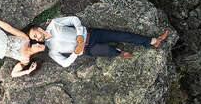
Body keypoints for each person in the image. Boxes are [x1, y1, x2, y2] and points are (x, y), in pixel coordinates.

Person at [28, 16, 170, 67]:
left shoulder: (53, 24)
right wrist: (75, 53)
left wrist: (79, 34)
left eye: (35, 34)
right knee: (110, 51)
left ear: (39, 29)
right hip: (88, 50)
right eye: (34, 39)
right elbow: (64, 64)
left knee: (121, 36)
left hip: (91, 34)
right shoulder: (51, 50)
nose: (37, 38)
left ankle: (153, 41)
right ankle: (119, 53)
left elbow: (73, 19)